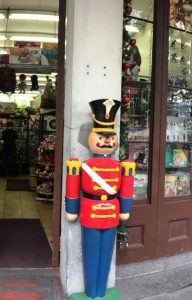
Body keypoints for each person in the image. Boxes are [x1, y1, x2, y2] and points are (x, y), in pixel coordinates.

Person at [65, 99, 135, 299]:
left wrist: (125, 208)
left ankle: (101, 291)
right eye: (102, 137)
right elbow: (72, 187)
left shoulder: (121, 166)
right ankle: (91, 291)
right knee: (91, 252)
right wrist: (72, 209)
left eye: (110, 137)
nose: (107, 141)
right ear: (92, 138)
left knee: (106, 254)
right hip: (90, 211)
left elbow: (125, 189)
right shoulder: (81, 165)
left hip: (111, 212)